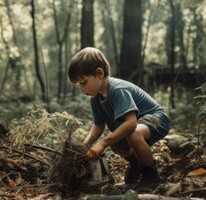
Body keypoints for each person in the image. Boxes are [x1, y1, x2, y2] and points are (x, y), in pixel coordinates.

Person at [67, 47, 170, 189]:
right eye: (78, 85)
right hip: (138, 126)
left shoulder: (117, 89)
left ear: (99, 73)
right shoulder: (95, 99)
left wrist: (103, 143)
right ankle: (136, 163)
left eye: (83, 82)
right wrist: (85, 145)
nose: (82, 89)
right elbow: (98, 126)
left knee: (133, 135)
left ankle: (150, 175)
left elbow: (131, 123)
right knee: (115, 143)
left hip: (156, 118)